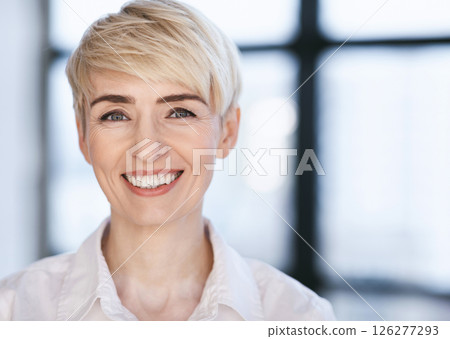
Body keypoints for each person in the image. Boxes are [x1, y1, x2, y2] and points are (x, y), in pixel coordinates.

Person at [0, 0, 335, 320]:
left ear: (227, 133)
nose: (147, 146)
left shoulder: (300, 315)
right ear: (83, 137)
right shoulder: (14, 310)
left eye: (179, 112)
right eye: (115, 115)